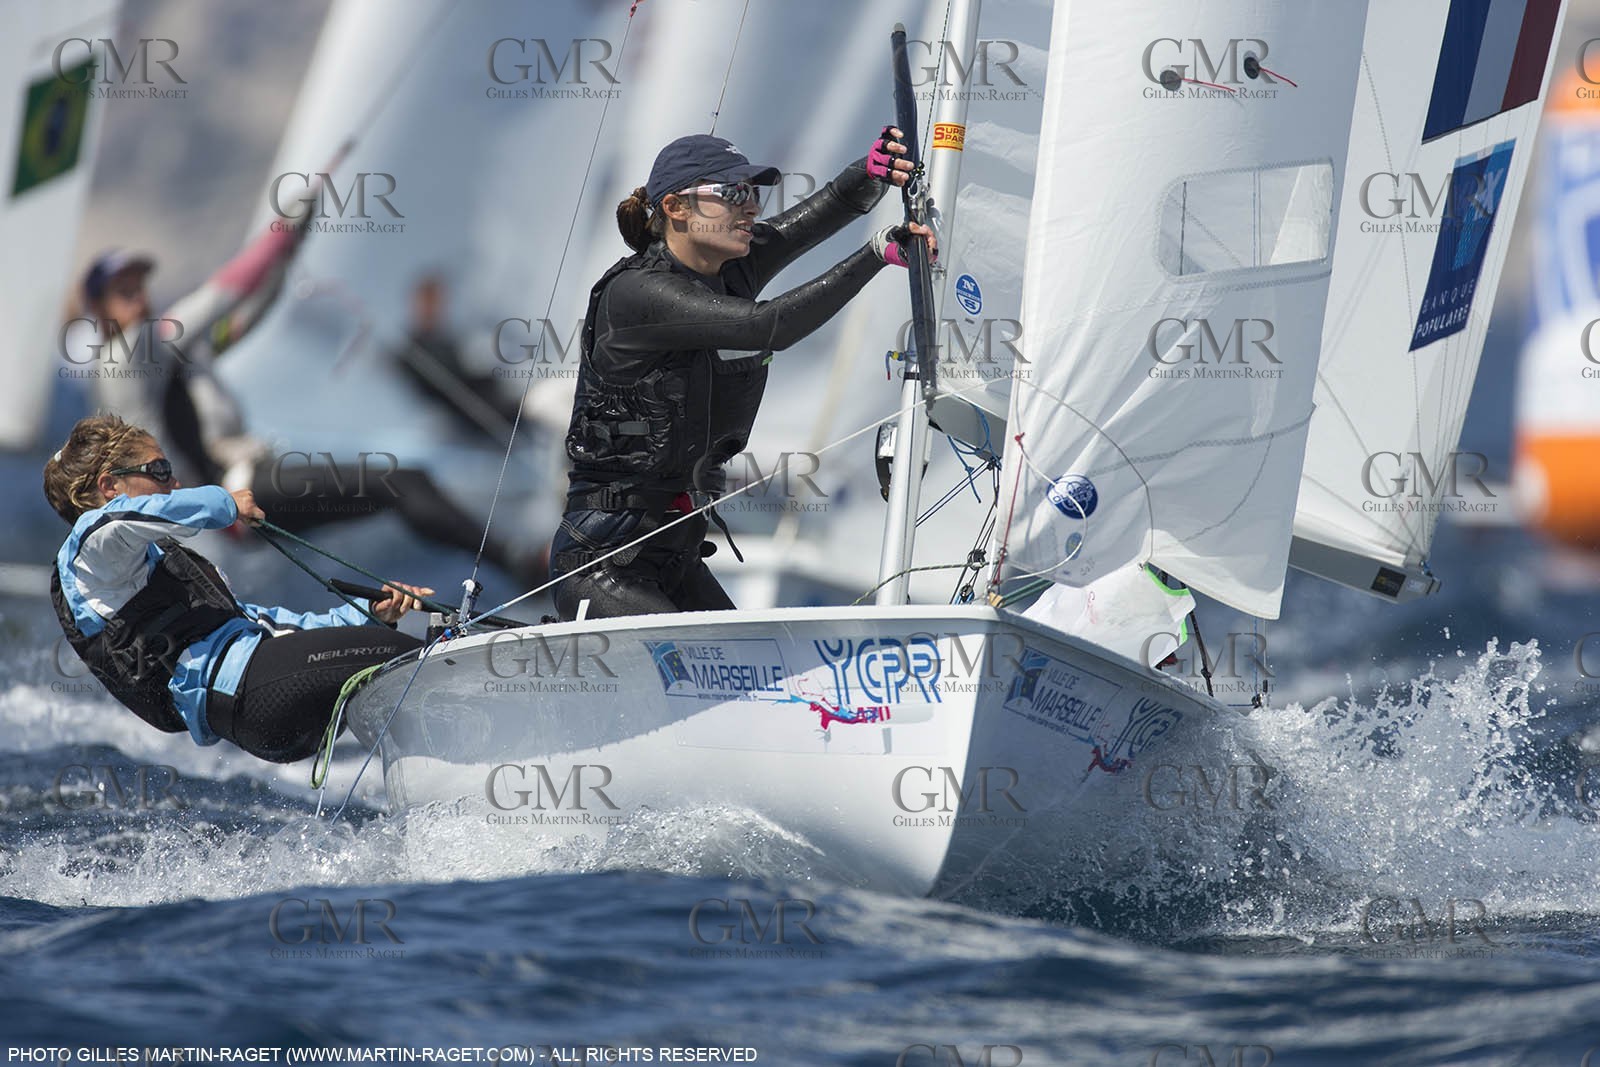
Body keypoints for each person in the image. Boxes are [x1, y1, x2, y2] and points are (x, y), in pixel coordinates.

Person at [549, 128, 932, 621]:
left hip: (677, 558)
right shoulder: (636, 293)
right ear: (675, 208)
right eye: (731, 195)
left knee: (765, 688)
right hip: (601, 564)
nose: (750, 207)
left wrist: (872, 170)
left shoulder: (732, 267)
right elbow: (767, 326)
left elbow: (814, 217)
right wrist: (876, 253)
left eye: (753, 193)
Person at [73, 251, 548, 587]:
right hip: (233, 496)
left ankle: (517, 565)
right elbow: (226, 294)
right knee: (403, 482)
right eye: (123, 290)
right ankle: (522, 564)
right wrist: (281, 234)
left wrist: (289, 255)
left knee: (402, 486)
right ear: (99, 309)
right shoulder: (127, 352)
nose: (138, 297)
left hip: (242, 492)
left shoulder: (179, 348)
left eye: (140, 285)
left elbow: (244, 313)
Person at [44, 414, 431, 764]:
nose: (174, 483)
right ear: (110, 485)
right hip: (254, 694)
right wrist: (223, 501)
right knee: (413, 662)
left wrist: (366, 615)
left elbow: (263, 624)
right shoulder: (90, 553)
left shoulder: (157, 565)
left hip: (265, 710)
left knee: (392, 656)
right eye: (159, 470)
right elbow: (125, 517)